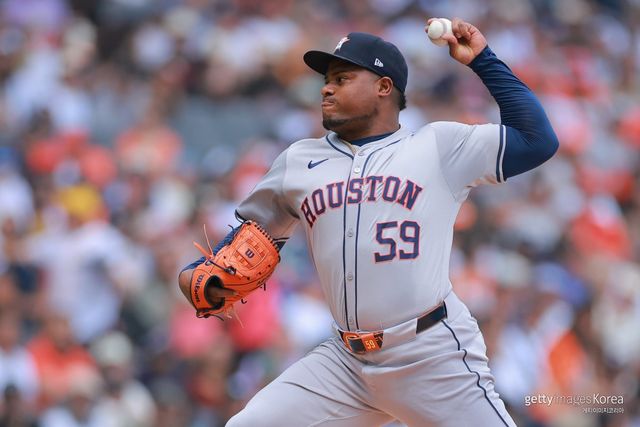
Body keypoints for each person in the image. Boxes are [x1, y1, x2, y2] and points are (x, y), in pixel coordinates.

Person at [179, 18, 558, 426]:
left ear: (383, 87)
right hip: (344, 363)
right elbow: (248, 238)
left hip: (430, 354)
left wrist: (483, 59)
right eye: (327, 80)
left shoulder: (437, 146)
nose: (326, 88)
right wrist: (203, 274)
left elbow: (538, 139)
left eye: (342, 79)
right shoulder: (299, 161)